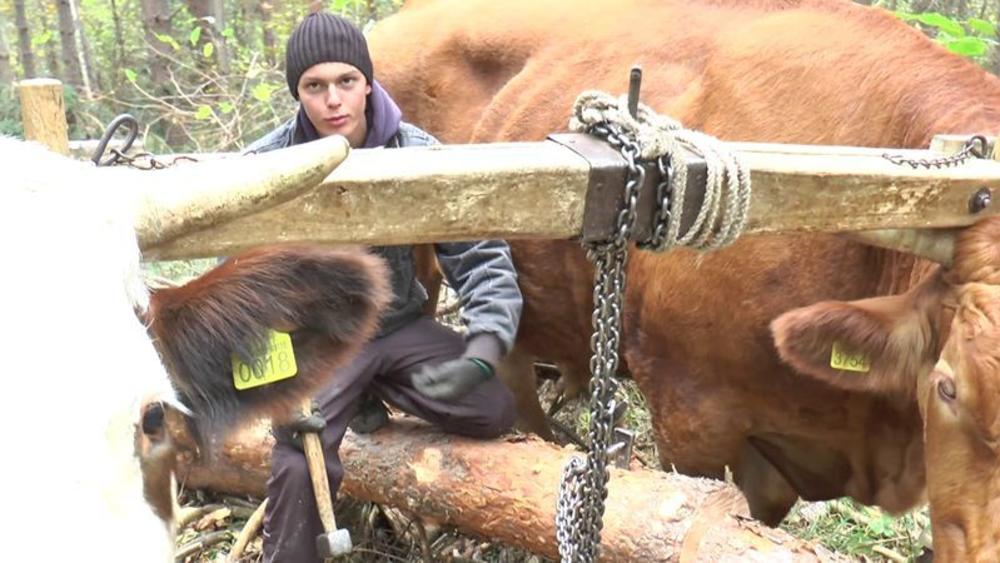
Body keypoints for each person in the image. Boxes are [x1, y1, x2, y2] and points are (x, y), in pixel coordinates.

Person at [245, 12, 522, 562]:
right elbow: (242, 295)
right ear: (297, 93)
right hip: (317, 346)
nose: (333, 100)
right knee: (301, 458)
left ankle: (378, 389)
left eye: (346, 81)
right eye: (315, 86)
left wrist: (484, 347)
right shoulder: (263, 167)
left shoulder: (417, 154)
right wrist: (276, 387)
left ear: (368, 81)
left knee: (491, 409)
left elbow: (479, 253)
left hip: (397, 327)